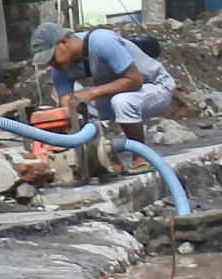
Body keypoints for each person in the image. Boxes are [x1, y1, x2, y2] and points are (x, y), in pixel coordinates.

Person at [27, 19, 174, 170]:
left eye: (52, 57)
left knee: (121, 101)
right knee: (76, 107)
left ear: (64, 42)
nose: (52, 63)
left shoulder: (102, 41)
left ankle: (140, 157)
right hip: (120, 92)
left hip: (155, 88)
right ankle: (107, 158)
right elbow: (66, 104)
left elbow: (135, 80)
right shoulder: (60, 68)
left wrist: (92, 92)